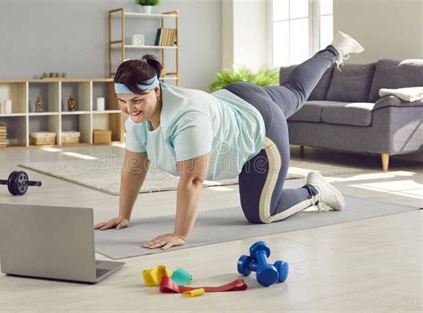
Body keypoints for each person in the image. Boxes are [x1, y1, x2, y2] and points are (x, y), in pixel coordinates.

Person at [94, 31, 364, 250]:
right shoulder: (138, 118)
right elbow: (133, 167)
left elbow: (193, 180)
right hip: (235, 95)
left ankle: (316, 191)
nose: (130, 109)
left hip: (261, 127)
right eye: (123, 102)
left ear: (156, 90)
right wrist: (123, 215)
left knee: (262, 214)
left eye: (137, 101)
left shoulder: (187, 117)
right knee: (295, 91)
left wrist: (180, 234)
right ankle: (335, 49)